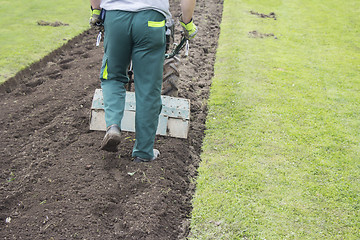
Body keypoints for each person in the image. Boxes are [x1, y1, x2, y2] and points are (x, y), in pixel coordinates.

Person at [89, 0, 197, 162]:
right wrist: (187, 23)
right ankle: (143, 151)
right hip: (151, 20)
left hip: (116, 17)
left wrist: (96, 11)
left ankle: (113, 127)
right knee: (148, 87)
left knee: (112, 76)